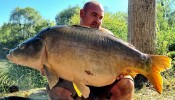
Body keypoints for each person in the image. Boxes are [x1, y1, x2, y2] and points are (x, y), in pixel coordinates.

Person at [46, 1, 134, 100]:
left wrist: (121, 71)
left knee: (126, 83)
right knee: (56, 90)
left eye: (100, 18)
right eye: (94, 15)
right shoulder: (66, 36)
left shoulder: (107, 36)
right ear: (82, 13)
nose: (97, 21)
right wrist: (48, 68)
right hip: (74, 82)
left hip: (101, 84)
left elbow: (120, 60)